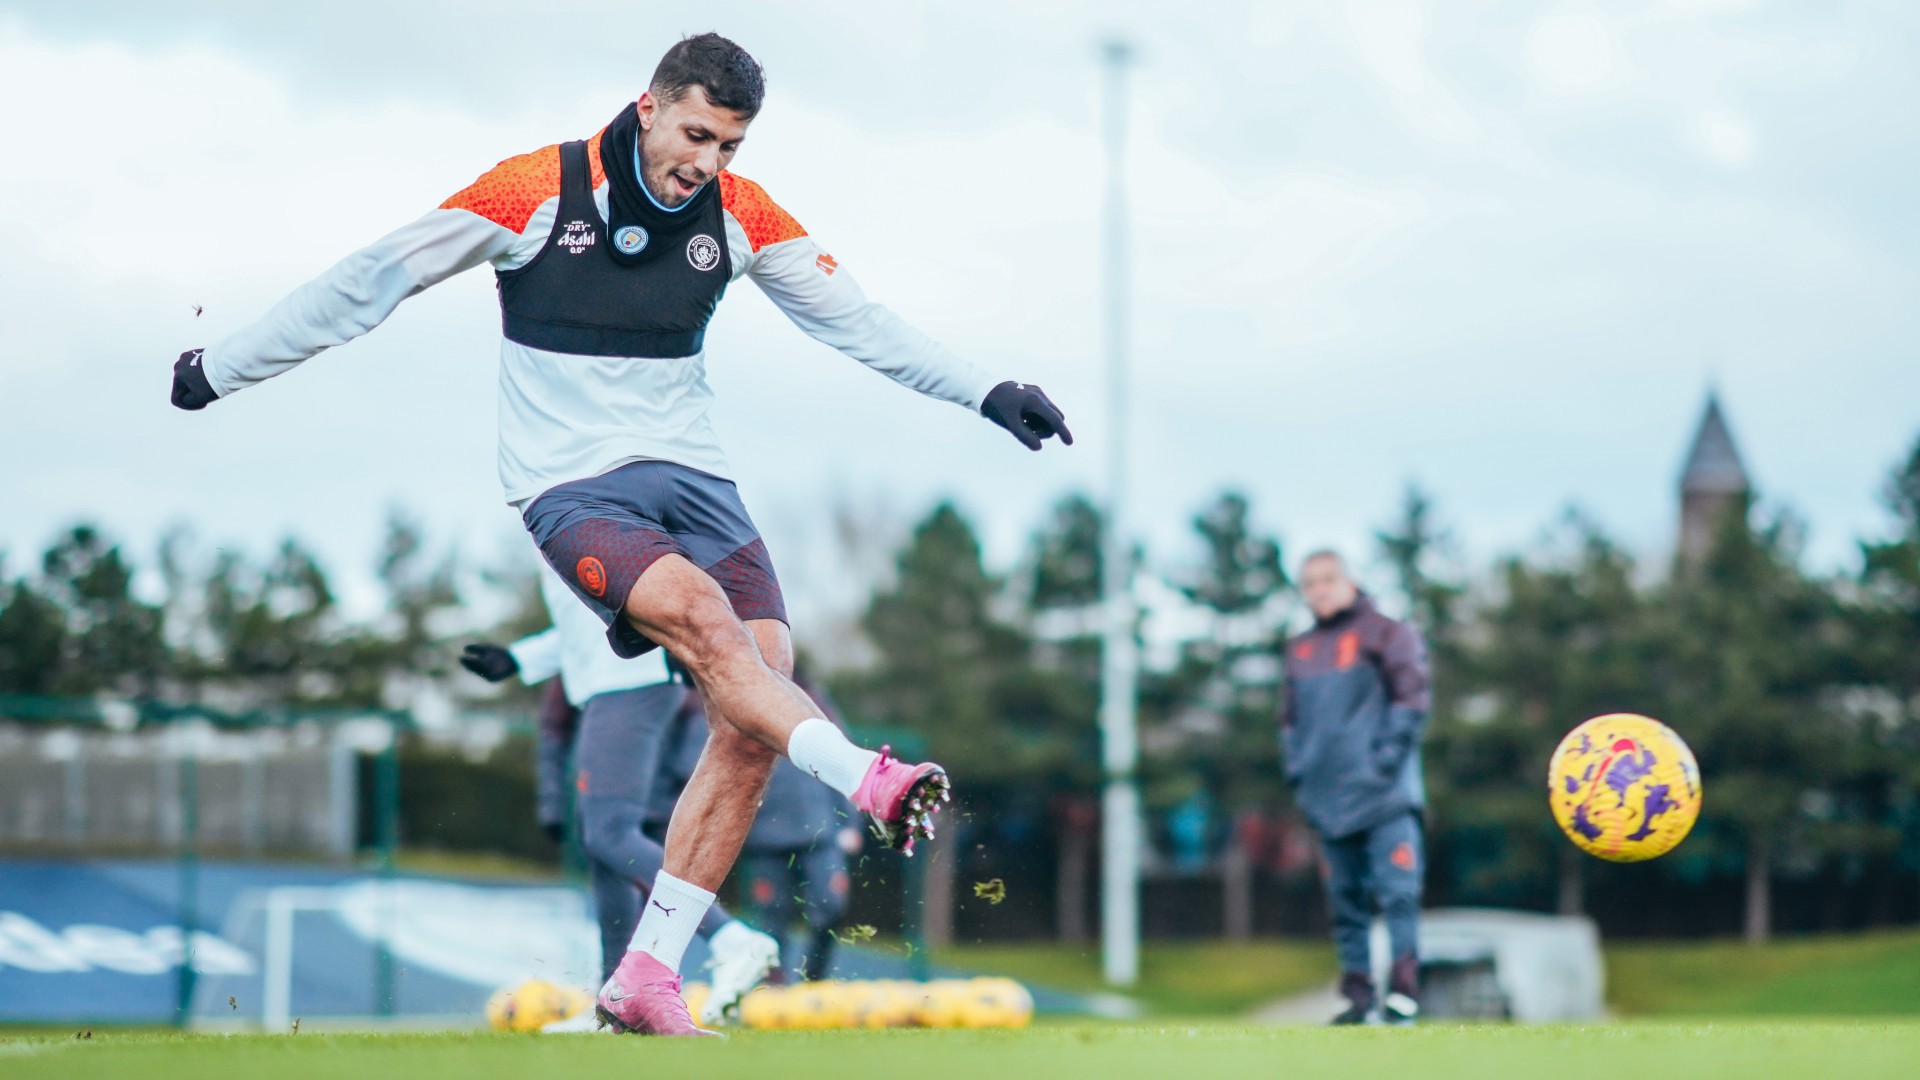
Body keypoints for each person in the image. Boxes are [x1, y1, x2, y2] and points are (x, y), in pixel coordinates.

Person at [169, 33, 1070, 1036]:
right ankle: (868, 775)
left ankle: (646, 974)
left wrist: (986, 390)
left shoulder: (741, 215)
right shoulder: (531, 192)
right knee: (706, 627)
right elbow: (369, 281)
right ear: (649, 107)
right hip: (571, 484)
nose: (707, 164)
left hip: (695, 476)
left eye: (728, 146)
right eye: (695, 134)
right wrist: (225, 365)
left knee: (761, 688)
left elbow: (858, 321)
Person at [459, 563, 780, 1027]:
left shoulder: (584, 506)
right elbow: (585, 624)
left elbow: (646, 600)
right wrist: (520, 660)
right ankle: (616, 1004)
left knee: (609, 833)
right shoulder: (557, 518)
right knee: (603, 844)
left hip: (629, 683)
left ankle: (731, 938)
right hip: (614, 686)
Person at [1281, 550, 1431, 1026]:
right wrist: (1300, 775)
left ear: (1348, 581)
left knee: (1397, 894)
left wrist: (1383, 762)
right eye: (1310, 583)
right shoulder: (1299, 650)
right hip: (1328, 802)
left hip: (1385, 797)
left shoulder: (1388, 633)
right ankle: (1358, 999)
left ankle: (1403, 996)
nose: (1319, 590)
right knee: (1345, 904)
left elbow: (1412, 698)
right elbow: (1289, 723)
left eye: (1327, 579)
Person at [653, 665, 861, 982]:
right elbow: (695, 773)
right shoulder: (719, 706)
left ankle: (814, 981)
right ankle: (773, 997)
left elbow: (840, 756)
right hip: (764, 837)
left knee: (830, 907)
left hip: (820, 831)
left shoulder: (810, 698)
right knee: (772, 923)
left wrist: (851, 823)